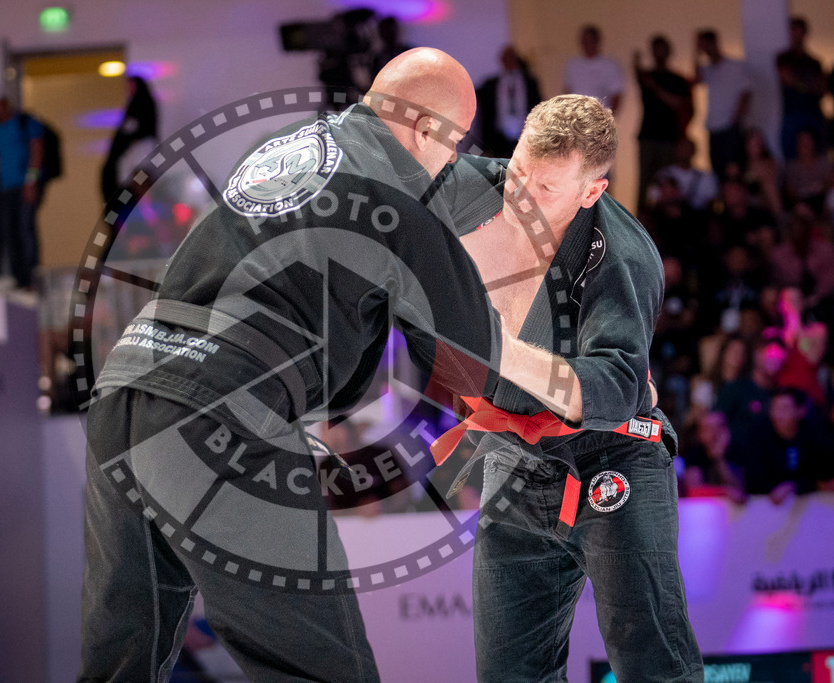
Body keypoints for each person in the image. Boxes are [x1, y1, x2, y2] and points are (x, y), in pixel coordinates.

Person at [81, 47, 516, 682]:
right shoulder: (403, 200)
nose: (452, 162)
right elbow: (473, 362)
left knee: (120, 664)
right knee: (321, 668)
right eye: (454, 142)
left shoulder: (288, 144)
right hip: (223, 404)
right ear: (427, 129)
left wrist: (519, 179)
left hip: (125, 382)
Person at [441, 94, 702, 680]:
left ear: (592, 191)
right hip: (515, 454)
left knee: (652, 664)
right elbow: (394, 176)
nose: (521, 196)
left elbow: (618, 384)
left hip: (614, 456)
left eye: (546, 188)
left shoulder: (621, 257)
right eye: (518, 171)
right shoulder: (483, 189)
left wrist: (501, 349)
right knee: (509, 673)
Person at [0, 90, 44, 289]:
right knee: (9, 233)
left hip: (24, 185)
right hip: (6, 189)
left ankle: (32, 275)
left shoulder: (24, 122)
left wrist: (31, 181)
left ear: (4, 104)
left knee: (25, 229)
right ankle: (18, 278)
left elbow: (37, 151)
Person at [633, 34, 693, 213]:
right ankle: (640, 221)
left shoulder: (677, 80)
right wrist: (635, 63)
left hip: (669, 138)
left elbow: (681, 104)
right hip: (647, 136)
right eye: (656, 48)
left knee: (668, 181)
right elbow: (636, 73)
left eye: (662, 48)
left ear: (668, 51)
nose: (659, 52)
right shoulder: (646, 77)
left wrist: (655, 87)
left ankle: (666, 218)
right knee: (644, 183)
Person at [694, 29, 752, 178]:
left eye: (707, 44)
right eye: (703, 46)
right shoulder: (708, 70)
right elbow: (697, 80)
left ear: (715, 43)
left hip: (731, 127)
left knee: (734, 171)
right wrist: (696, 52)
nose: (706, 49)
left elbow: (746, 92)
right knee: (717, 172)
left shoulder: (735, 66)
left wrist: (736, 119)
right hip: (714, 129)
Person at [100, 76, 159, 204]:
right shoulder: (132, 105)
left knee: (140, 179)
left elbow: (144, 128)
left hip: (141, 151)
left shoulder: (144, 104)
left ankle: (147, 206)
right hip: (131, 155)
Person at [475, 45, 542, 158]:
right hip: (498, 139)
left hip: (524, 135)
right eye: (506, 58)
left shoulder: (530, 82)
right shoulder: (491, 84)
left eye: (512, 58)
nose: (509, 61)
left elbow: (537, 106)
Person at [776, 17, 827, 161]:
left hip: (813, 112)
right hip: (792, 113)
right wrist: (809, 85)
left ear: (804, 34)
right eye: (794, 32)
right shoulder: (784, 58)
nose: (796, 36)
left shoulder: (814, 62)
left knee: (818, 152)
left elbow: (822, 88)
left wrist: (799, 83)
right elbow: (787, 78)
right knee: (791, 154)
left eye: (799, 32)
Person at [563, 25, 624, 114]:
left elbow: (616, 93)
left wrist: (611, 115)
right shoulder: (572, 65)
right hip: (577, 115)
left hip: (599, 115)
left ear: (597, 41)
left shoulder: (609, 65)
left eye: (589, 40)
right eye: (584, 41)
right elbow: (567, 91)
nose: (587, 44)